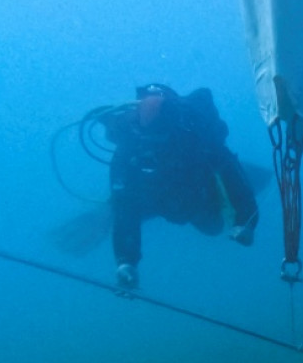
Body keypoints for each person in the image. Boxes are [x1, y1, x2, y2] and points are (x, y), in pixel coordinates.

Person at [99, 83, 259, 289]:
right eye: (150, 140)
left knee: (212, 228)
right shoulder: (130, 145)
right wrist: (126, 261)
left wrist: (245, 221)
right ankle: (111, 209)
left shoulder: (196, 137)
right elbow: (125, 206)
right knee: (125, 202)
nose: (156, 146)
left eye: (160, 138)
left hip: (196, 195)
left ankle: (216, 197)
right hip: (156, 196)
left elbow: (232, 175)